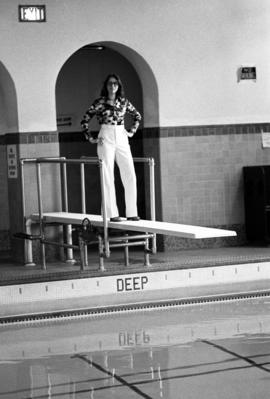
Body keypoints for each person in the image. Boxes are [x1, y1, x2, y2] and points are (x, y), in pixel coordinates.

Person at [81, 74, 142, 222]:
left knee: (129, 173)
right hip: (106, 135)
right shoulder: (100, 102)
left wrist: (131, 132)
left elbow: (137, 116)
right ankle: (111, 213)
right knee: (107, 175)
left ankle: (132, 212)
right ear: (106, 85)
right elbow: (85, 120)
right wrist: (91, 138)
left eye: (115, 83)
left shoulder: (124, 102)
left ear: (119, 86)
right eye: (110, 83)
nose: (113, 86)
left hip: (121, 135)